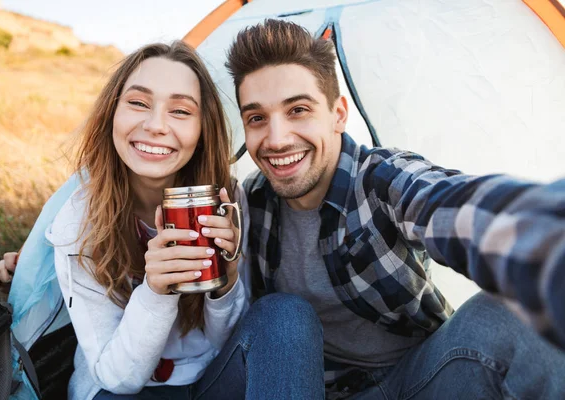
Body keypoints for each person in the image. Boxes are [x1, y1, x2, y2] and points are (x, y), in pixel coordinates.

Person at [225, 19, 565, 399]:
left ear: (338, 114)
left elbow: (452, 204)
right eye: (257, 118)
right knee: (282, 314)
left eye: (298, 110)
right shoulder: (248, 203)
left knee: (512, 314)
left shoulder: (381, 177)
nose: (277, 139)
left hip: (423, 378)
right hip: (317, 390)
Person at [0, 41, 324, 400]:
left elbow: (222, 342)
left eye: (180, 111)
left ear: (202, 129)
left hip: (212, 379)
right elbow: (118, 378)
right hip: (121, 388)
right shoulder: (80, 220)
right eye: (138, 103)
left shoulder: (224, 199)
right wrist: (155, 291)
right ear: (112, 114)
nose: (156, 125)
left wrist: (224, 284)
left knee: (287, 316)